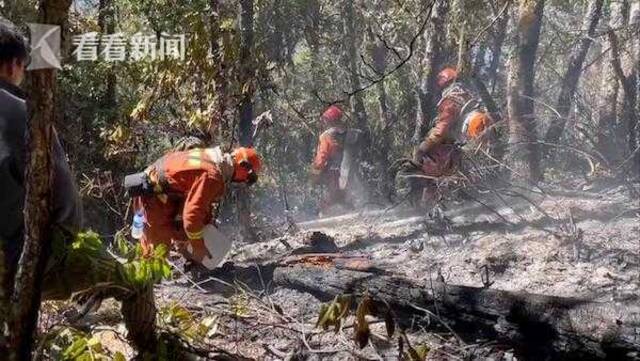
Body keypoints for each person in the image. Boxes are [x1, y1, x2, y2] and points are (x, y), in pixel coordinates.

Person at [0, 19, 83, 295]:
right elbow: (67, 205)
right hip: (14, 267)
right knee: (132, 283)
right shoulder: (24, 116)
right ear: (13, 65)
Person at [131, 146, 261, 265]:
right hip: (154, 197)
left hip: (164, 193)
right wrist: (198, 247)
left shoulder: (211, 158)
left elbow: (194, 201)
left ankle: (185, 253)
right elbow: (192, 217)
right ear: (243, 167)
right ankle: (139, 287)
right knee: (156, 257)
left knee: (202, 222)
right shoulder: (212, 175)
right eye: (249, 179)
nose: (245, 182)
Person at [411, 67, 492, 206]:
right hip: (475, 136)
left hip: (468, 136)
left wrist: (425, 145)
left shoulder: (450, 100)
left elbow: (442, 128)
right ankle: (465, 194)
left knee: (431, 160)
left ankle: (431, 203)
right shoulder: (467, 95)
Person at [310, 105, 356, 214]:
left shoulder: (326, 136)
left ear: (328, 120)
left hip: (334, 174)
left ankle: (322, 216)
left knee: (330, 200)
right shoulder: (353, 134)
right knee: (349, 201)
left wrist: (314, 175)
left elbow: (321, 158)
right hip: (353, 172)